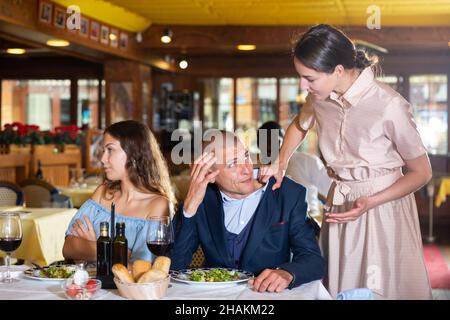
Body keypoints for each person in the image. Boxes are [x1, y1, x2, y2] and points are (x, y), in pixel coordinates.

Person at [260, 24, 433, 299]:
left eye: (309, 78)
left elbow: (421, 172)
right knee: (340, 285)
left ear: (338, 71)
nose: (303, 86)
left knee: (380, 288)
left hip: (384, 208)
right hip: (340, 200)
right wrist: (280, 164)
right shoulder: (318, 97)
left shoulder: (388, 104)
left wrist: (372, 201)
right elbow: (299, 125)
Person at [170, 130, 325, 293]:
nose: (246, 169)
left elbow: (313, 260)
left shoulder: (286, 193)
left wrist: (288, 274)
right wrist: (189, 207)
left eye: (246, 156)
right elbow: (174, 265)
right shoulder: (201, 200)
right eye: (233, 164)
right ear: (210, 174)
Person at [63, 120, 177, 263]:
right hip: (90, 283)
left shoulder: (158, 204)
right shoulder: (102, 193)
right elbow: (68, 247)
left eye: (110, 150)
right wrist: (112, 251)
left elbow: (142, 266)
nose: (103, 159)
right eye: (103, 151)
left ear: (134, 154)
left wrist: (95, 247)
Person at [257, 121, 331, 217]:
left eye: (274, 142)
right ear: (259, 146)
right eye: (265, 145)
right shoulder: (258, 172)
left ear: (284, 141)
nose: (270, 147)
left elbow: (330, 191)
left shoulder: (307, 161)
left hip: (307, 219)